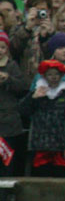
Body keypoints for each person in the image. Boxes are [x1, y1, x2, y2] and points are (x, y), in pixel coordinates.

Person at [20, 59, 65, 177]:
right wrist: (33, 97)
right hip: (40, 146)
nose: (53, 77)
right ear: (44, 76)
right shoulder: (36, 93)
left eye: (56, 74)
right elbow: (23, 111)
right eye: (50, 74)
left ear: (61, 76)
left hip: (61, 147)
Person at [0, 31, 29, 176]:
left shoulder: (12, 66)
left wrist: (8, 80)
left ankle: (6, 195)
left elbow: (23, 87)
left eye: (3, 47)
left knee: (7, 162)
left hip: (9, 125)